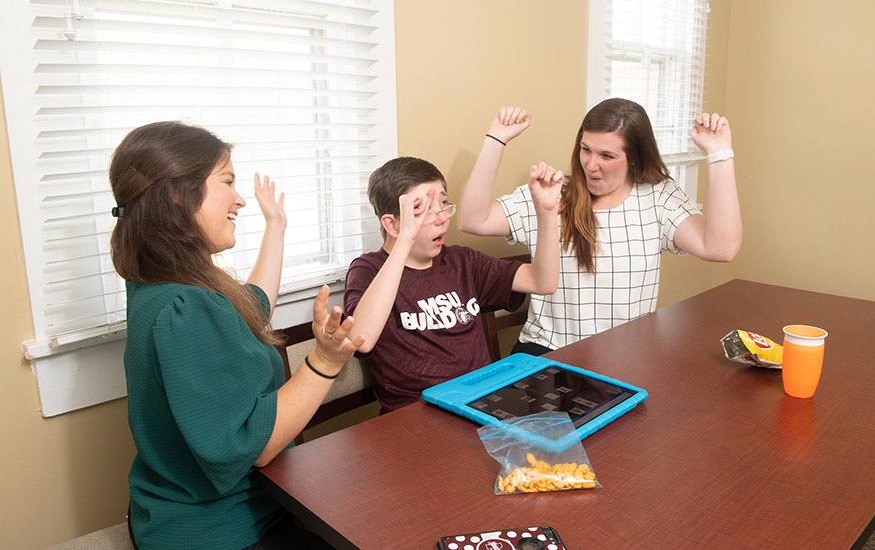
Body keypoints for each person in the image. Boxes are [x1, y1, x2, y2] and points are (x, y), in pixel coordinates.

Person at [109, 121, 365, 550]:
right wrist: (326, 361)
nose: (241, 198)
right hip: (219, 530)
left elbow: (252, 304)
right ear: (177, 193)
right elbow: (256, 446)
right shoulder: (186, 308)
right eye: (227, 181)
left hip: (168, 509)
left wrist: (276, 227)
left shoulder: (159, 285)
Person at [459, 100, 742, 354]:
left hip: (626, 358)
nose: (591, 165)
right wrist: (496, 139)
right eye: (586, 149)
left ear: (634, 157)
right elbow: (473, 220)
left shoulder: (658, 197)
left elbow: (722, 248)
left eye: (607, 156)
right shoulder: (551, 193)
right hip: (548, 353)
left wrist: (719, 154)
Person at [343, 154, 564, 412]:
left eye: (444, 203)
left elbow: (543, 281)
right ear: (392, 224)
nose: (442, 217)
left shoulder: (462, 261)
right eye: (423, 209)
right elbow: (362, 339)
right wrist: (404, 240)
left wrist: (547, 213)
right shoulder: (368, 270)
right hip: (418, 415)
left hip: (482, 405)